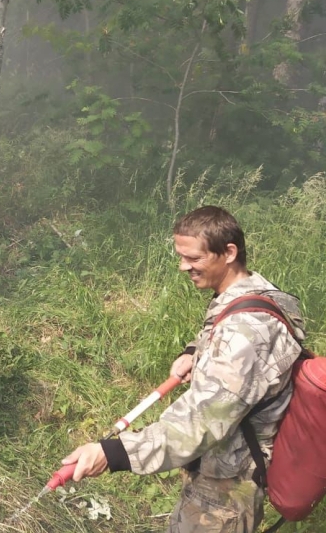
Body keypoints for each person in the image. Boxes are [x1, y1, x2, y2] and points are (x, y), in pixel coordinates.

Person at [62, 205, 305, 533]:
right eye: (181, 256)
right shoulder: (250, 294)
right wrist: (195, 351)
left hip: (225, 494)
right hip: (216, 473)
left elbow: (200, 423)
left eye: (193, 258)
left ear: (229, 252)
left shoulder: (247, 329)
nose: (183, 266)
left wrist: (113, 453)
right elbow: (223, 336)